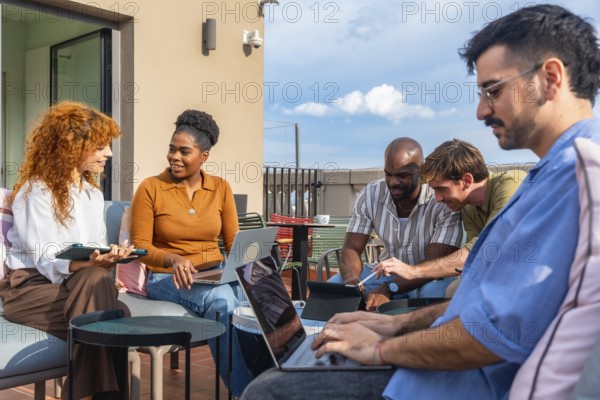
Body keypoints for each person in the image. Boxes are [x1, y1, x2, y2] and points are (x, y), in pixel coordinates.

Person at [241, 4, 600, 399]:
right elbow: (474, 304)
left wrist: (379, 349)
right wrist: (392, 326)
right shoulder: (550, 175)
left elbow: (493, 332)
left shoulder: (578, 175)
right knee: (303, 357)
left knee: (270, 391)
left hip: (465, 381)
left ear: (550, 78)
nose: (481, 110)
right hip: (455, 364)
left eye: (493, 90)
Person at [0, 101, 135, 400]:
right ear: (73, 146)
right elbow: (48, 260)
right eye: (100, 147)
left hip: (80, 285)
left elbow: (93, 256)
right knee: (117, 315)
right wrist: (94, 265)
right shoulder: (36, 191)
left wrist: (106, 261)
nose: (108, 154)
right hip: (29, 289)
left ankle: (81, 394)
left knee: (100, 289)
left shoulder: (92, 195)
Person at [130, 109, 253, 396]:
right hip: (166, 278)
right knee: (222, 301)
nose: (174, 157)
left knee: (256, 296)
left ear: (204, 156)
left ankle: (274, 378)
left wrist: (250, 266)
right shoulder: (151, 188)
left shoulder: (220, 188)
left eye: (184, 151)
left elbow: (233, 240)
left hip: (214, 272)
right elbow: (140, 246)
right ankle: (246, 391)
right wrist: (173, 259)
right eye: (171, 149)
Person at [373, 139, 526, 297]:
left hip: (539, 272)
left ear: (467, 181)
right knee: (455, 290)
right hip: (506, 273)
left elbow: (486, 247)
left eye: (441, 189)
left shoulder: (512, 183)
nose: (437, 198)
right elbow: (476, 263)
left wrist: (413, 271)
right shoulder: (467, 206)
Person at [328, 137, 464, 309]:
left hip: (429, 276)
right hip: (386, 274)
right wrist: (352, 282)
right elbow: (351, 248)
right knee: (336, 287)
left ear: (422, 172)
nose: (393, 182)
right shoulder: (372, 194)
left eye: (402, 175)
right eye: (388, 174)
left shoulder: (441, 199)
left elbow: (434, 264)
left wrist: (389, 288)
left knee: (433, 295)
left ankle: (421, 335)